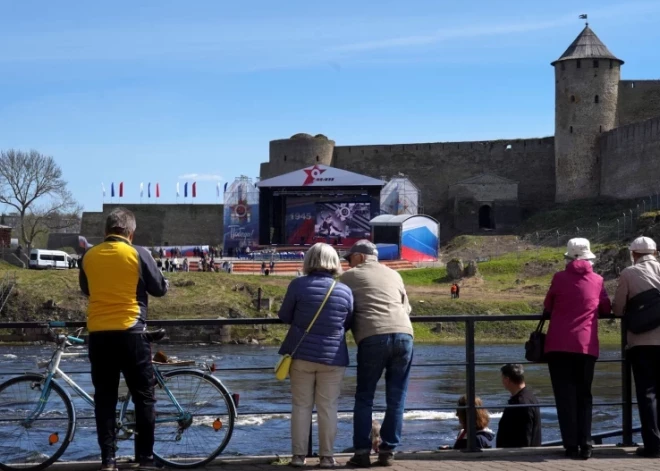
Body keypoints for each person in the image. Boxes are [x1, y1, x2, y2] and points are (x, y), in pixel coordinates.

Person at [79, 208, 168, 471]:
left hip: (98, 333)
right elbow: (159, 289)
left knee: (104, 399)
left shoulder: (88, 255)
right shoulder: (138, 253)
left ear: (105, 231)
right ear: (131, 232)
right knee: (144, 397)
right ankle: (145, 459)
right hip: (131, 332)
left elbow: (87, 289)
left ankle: (108, 460)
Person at [278, 243, 354, 468]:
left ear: (308, 261)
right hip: (333, 358)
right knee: (328, 407)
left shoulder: (298, 285)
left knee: (301, 406)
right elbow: (347, 322)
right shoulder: (344, 290)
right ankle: (327, 458)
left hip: (301, 355)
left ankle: (298, 457)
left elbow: (284, 316)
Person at [339, 240, 413, 467]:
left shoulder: (348, 278)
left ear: (360, 257)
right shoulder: (395, 275)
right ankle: (387, 451)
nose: (348, 263)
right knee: (396, 397)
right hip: (404, 335)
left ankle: (361, 452)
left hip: (372, 337)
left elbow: (343, 309)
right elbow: (407, 308)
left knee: (364, 397)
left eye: (349, 259)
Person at [544, 238, 611, 460]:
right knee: (585, 396)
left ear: (569, 257)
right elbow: (605, 307)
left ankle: (570, 445)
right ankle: (586, 444)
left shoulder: (559, 278)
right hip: (586, 345)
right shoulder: (598, 280)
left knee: (565, 397)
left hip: (558, 345)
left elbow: (548, 305)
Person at [613, 236, 660, 458]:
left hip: (641, 343)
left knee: (647, 394)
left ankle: (653, 445)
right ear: (655, 252)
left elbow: (618, 308)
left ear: (633, 254)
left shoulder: (628, 273)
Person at [496, 364, 542, 448]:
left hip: (516, 455)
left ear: (507, 380)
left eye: (502, 378)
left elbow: (526, 435)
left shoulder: (521, 403)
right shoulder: (530, 397)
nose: (502, 381)